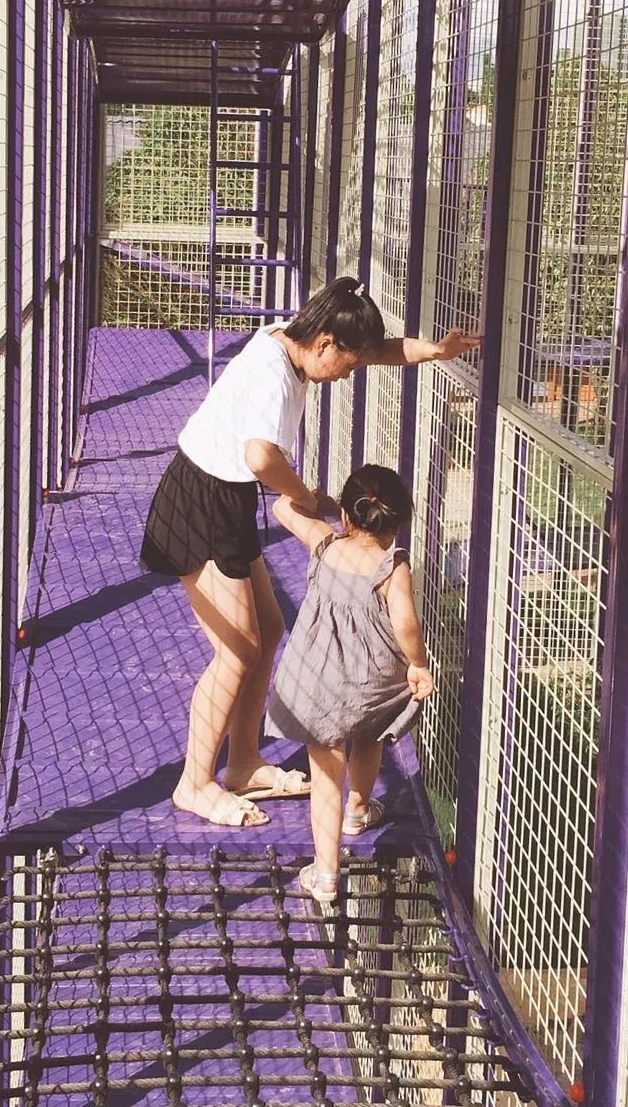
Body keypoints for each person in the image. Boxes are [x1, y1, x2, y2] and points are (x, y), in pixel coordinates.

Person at [140, 277, 476, 828]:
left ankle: (243, 763)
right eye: (347, 364)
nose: (348, 373)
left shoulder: (298, 336)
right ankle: (194, 783)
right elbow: (260, 457)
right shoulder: (274, 374)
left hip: (226, 497)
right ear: (325, 344)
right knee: (237, 650)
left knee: (269, 629)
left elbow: (379, 351)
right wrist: (303, 496)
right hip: (201, 500)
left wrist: (433, 351)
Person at [264, 464, 433, 905]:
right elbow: (406, 624)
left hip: (318, 681)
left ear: (347, 515)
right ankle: (357, 810)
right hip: (370, 681)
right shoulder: (393, 567)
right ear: (397, 523)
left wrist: (317, 502)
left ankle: (325, 875)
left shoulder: (325, 542)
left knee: (325, 775)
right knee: (371, 733)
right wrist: (418, 665)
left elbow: (282, 508)